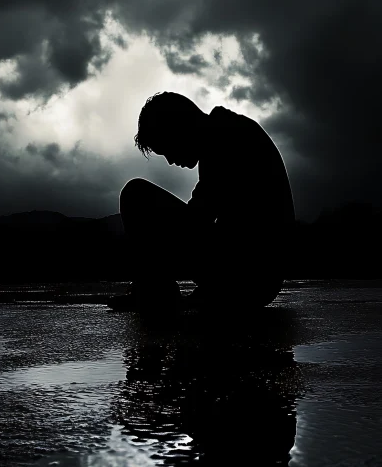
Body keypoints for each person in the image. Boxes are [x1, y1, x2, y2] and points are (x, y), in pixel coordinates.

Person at [109, 91, 295, 313]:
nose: (170, 160)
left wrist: (153, 260)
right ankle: (160, 289)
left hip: (251, 277)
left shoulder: (225, 138)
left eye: (166, 148)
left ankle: (155, 292)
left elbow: (196, 220)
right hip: (257, 275)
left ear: (178, 127)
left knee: (136, 195)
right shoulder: (226, 130)